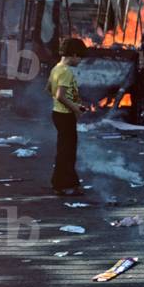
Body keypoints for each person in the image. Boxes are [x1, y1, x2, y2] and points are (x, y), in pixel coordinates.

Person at [47, 38, 89, 196]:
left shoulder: (56, 68)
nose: (80, 61)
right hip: (65, 115)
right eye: (80, 58)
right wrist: (75, 109)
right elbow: (60, 95)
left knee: (64, 150)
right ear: (74, 55)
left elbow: (49, 88)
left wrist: (73, 104)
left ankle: (63, 183)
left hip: (58, 113)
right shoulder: (66, 71)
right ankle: (65, 185)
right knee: (68, 152)